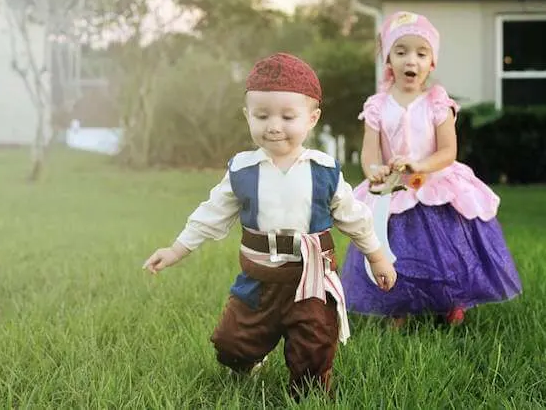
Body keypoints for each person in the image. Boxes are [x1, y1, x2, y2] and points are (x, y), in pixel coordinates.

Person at [143, 52, 397, 398]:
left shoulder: (324, 170)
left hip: (311, 279)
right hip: (259, 280)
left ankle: (308, 391)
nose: (274, 125)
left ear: (312, 118)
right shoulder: (243, 170)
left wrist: (377, 256)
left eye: (287, 116)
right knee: (232, 344)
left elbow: (355, 218)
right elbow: (210, 214)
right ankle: (248, 359)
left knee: (314, 345)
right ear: (248, 115)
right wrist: (175, 250)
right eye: (262, 115)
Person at [340, 11, 522, 327]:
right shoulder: (378, 106)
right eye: (401, 51)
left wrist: (420, 164)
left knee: (445, 250)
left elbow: (448, 151)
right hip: (395, 188)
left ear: (431, 63)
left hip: (435, 182)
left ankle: (451, 300)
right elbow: (371, 151)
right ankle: (398, 303)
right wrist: (375, 171)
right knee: (395, 247)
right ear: (388, 60)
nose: (411, 60)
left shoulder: (437, 102)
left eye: (421, 53)